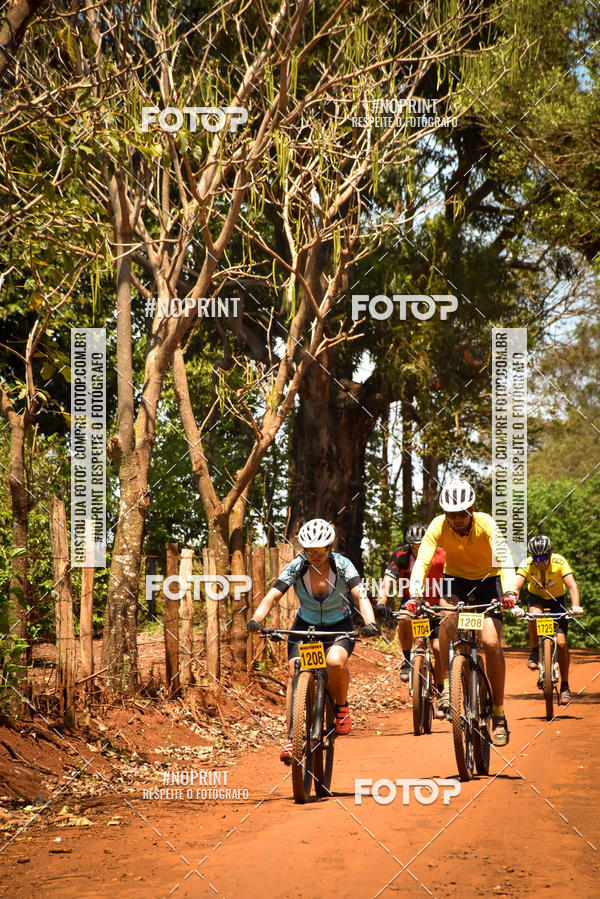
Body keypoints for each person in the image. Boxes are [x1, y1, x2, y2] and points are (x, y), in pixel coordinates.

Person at [247, 518, 378, 764]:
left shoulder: (342, 565)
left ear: (330, 548)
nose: (314, 556)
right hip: (304, 626)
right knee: (293, 670)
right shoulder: (297, 566)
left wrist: (369, 622)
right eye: (309, 550)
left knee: (335, 662)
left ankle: (341, 706)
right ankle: (291, 737)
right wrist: (257, 619)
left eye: (319, 550)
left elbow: (360, 595)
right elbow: (273, 595)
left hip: (338, 626)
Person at [408, 479, 518, 747]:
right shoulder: (438, 525)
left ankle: (499, 714)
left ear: (472, 509)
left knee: (490, 642)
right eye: (451, 514)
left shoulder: (486, 523)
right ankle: (447, 687)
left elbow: (504, 557)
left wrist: (510, 590)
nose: (457, 519)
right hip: (455, 580)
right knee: (446, 617)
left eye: (462, 513)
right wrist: (415, 594)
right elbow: (422, 560)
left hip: (489, 582)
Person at [514, 535, 583, 703]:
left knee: (562, 644)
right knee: (533, 616)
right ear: (532, 557)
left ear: (550, 554)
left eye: (544, 557)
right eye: (537, 558)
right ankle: (534, 651)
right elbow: (516, 587)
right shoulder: (526, 564)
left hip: (557, 601)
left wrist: (576, 606)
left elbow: (572, 586)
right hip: (536, 598)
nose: (541, 562)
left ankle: (565, 686)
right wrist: (514, 605)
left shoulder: (559, 562)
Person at [375, 523, 445, 686]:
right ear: (408, 545)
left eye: (421, 545)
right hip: (411, 601)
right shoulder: (401, 555)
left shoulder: (441, 554)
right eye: (414, 546)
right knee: (404, 618)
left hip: (437, 602)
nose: (418, 549)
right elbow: (389, 578)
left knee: (437, 647)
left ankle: (442, 688)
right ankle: (407, 662)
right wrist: (381, 602)